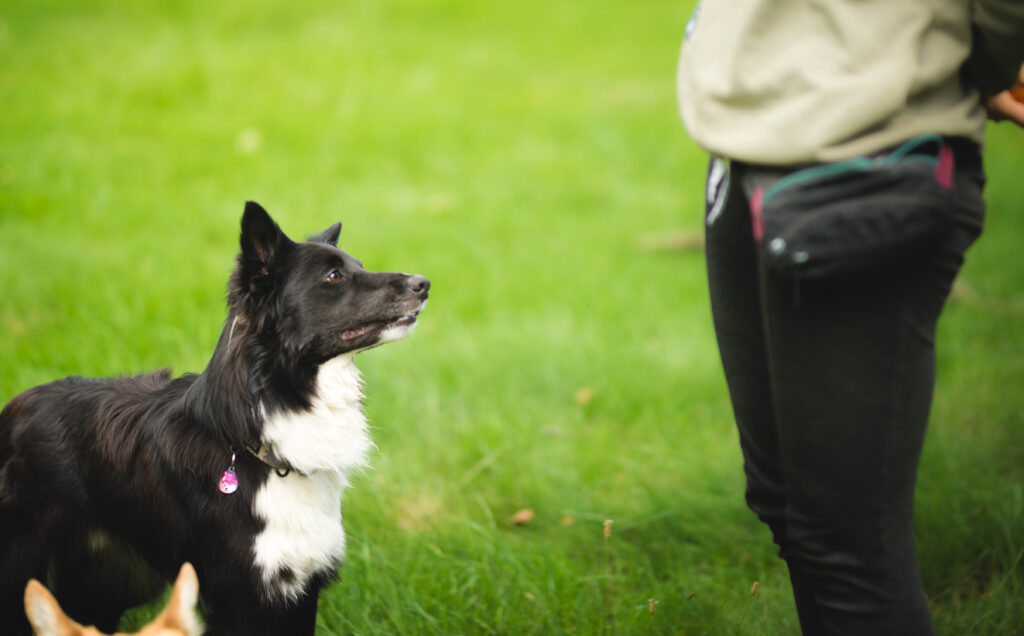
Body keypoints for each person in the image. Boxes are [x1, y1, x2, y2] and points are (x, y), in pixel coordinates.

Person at [676, 2, 1024, 634]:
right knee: (786, 506)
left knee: (848, 545)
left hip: (870, 147)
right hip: (747, 139)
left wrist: (988, 58)